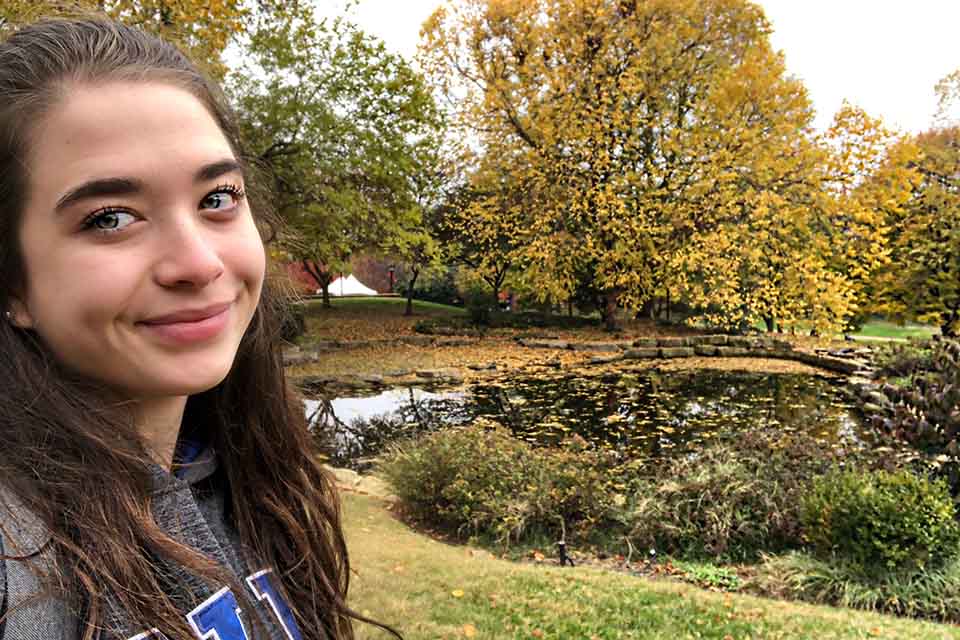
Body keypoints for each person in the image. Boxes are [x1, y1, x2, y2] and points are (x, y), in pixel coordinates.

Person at [0, 16, 397, 640]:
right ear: (13, 284)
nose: (199, 263)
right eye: (110, 218)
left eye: (216, 198)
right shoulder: (18, 562)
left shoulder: (250, 478)